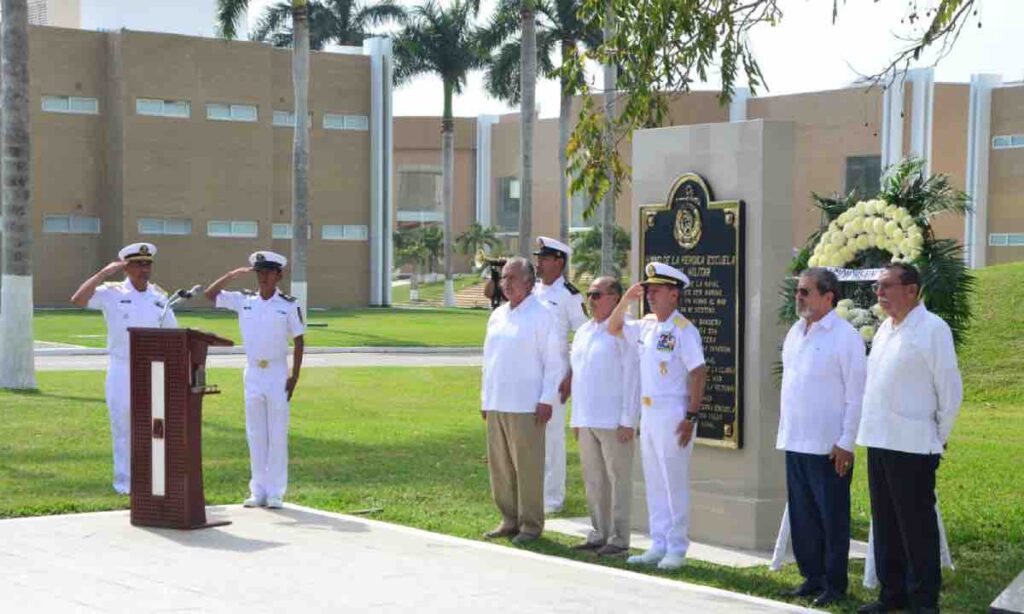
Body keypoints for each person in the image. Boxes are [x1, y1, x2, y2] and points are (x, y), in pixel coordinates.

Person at [856, 263, 962, 614]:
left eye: (886, 286)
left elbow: (949, 390)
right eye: (877, 287)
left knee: (916, 528)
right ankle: (892, 595)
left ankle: (923, 602)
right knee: (885, 524)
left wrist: (938, 436)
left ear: (912, 289)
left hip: (914, 444)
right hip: (880, 439)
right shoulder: (886, 328)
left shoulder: (933, 329)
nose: (879, 293)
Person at [608, 262, 707, 571]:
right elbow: (613, 327)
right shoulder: (647, 325)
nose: (650, 295)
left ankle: (677, 546)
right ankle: (658, 542)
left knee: (673, 480)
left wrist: (690, 416)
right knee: (653, 479)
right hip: (649, 411)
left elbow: (698, 372)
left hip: (673, 410)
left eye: (657, 290)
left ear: (674, 294)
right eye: (648, 289)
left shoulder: (684, 330)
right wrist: (625, 300)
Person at [777, 268, 866, 607]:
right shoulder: (795, 333)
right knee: (803, 516)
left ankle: (834, 583)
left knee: (832, 517)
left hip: (829, 446)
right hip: (796, 440)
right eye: (798, 291)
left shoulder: (845, 337)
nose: (798, 297)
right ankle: (811, 577)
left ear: (829, 296)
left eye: (806, 292)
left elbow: (856, 396)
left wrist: (846, 441)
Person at [70, 242, 178, 494]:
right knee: (122, 426)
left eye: (148, 264)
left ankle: (155, 479)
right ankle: (125, 483)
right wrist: (102, 274)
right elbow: (78, 300)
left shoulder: (159, 297)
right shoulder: (112, 292)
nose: (144, 269)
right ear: (126, 268)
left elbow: (174, 334)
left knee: (156, 427)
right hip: (123, 368)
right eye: (139, 264)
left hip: (154, 369)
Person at [204, 251, 305, 510]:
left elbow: (299, 340)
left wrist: (294, 376)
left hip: (276, 372)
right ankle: (258, 490)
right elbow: (210, 295)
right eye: (259, 273)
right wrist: (230, 276)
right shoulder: (245, 301)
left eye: (268, 273)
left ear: (278, 275)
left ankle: (276, 492)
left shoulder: (288, 304)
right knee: (256, 433)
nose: (263, 278)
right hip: (253, 372)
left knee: (277, 433)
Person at [480, 257, 562, 544]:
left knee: (527, 468)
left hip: (527, 405)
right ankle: (509, 519)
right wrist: (485, 398)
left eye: (513, 278)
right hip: (498, 402)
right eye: (504, 278)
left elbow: (554, 362)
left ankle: (531, 525)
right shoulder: (498, 315)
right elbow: (489, 359)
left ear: (529, 282)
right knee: (501, 467)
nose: (506, 283)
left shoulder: (543, 315)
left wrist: (547, 399)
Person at [569, 276, 639, 557]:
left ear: (615, 298)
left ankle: (620, 538)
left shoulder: (624, 330)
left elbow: (632, 376)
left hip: (613, 420)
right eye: (589, 294)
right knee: (594, 480)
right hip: (587, 418)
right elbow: (579, 377)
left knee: (618, 479)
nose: (591, 299)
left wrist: (628, 419)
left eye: (597, 294)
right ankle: (599, 532)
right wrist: (576, 418)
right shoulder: (584, 331)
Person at [531, 236, 587, 513]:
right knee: (529, 435)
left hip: (556, 376)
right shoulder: (531, 290)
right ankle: (531, 492)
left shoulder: (569, 295)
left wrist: (572, 376)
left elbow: (584, 334)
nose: (538, 263)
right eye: (538, 258)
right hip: (530, 372)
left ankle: (552, 498)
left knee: (552, 438)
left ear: (559, 262)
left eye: (543, 258)